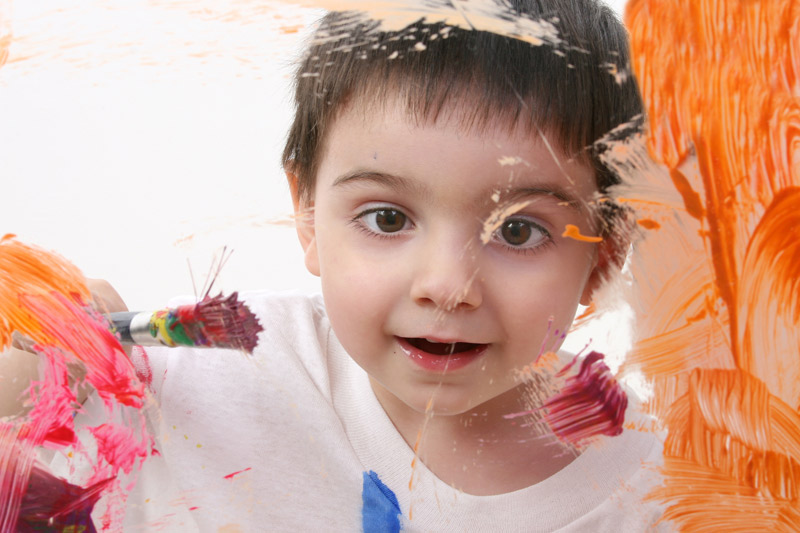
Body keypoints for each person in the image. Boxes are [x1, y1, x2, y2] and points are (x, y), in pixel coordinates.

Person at [113, 1, 666, 530]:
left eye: (518, 231)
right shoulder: (212, 380)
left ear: (604, 256)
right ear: (308, 214)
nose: (447, 287)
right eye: (387, 220)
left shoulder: (665, 495)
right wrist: (36, 363)